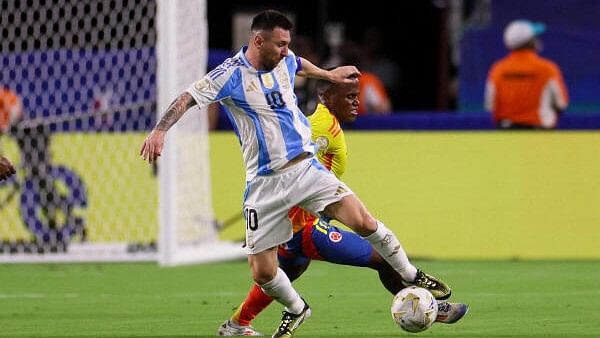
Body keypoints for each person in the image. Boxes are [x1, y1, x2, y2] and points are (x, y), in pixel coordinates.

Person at [140, 10, 450, 338]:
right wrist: (160, 131)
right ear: (258, 41)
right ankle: (296, 308)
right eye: (280, 44)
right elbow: (188, 97)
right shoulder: (229, 75)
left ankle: (413, 274)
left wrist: (329, 75)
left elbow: (300, 63)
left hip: (305, 169)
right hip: (263, 184)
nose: (286, 50)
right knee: (262, 272)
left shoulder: (285, 61)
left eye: (288, 44)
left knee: (364, 221)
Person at [217, 75, 469, 336]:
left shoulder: (328, 125)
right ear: (326, 97)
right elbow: (287, 163)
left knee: (278, 276)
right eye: (349, 96)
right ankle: (429, 306)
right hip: (305, 228)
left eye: (356, 96)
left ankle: (236, 325)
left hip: (301, 223)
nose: (357, 103)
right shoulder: (320, 126)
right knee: (383, 259)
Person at [485, 20, 569, 129]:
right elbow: (562, 103)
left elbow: (490, 106)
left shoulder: (497, 69)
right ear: (531, 42)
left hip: (506, 134)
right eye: (535, 37)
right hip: (541, 135)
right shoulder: (548, 69)